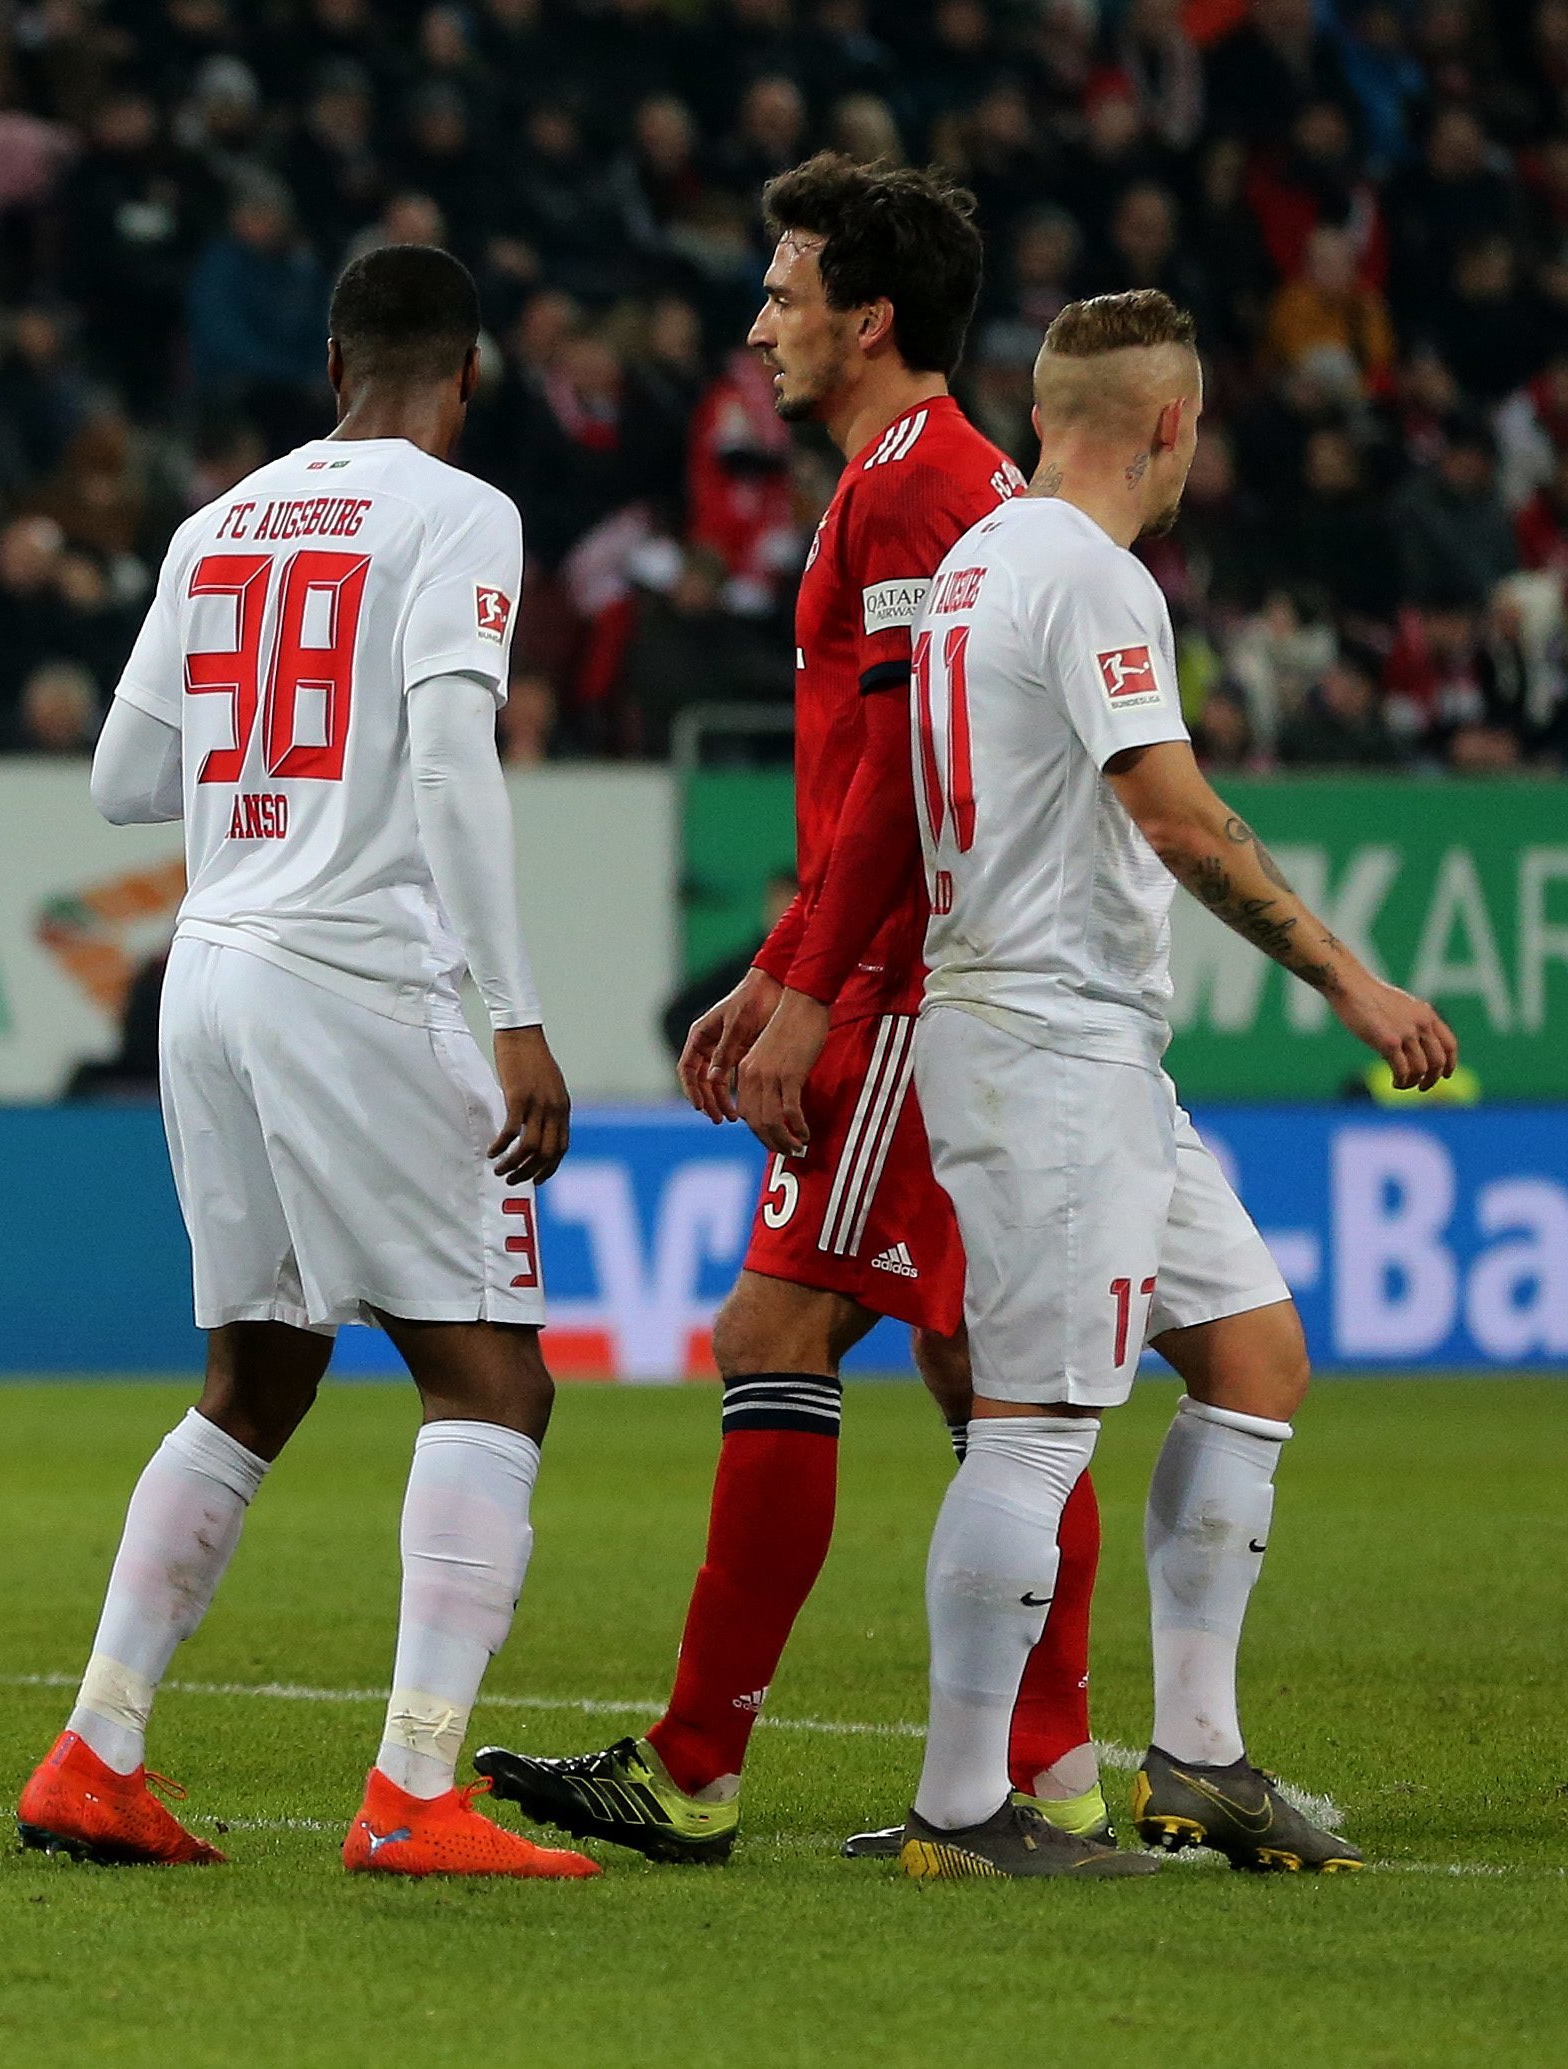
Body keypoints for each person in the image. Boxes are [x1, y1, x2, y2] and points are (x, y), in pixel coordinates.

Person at [478, 154, 1106, 1866]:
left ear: (867, 317)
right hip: (910, 963)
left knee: (776, 1332)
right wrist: (774, 959)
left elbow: (908, 770)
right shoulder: (919, 479)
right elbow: (878, 777)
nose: (757, 325)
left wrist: (816, 992)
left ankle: (695, 1766)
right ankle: (1052, 1764)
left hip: (908, 981)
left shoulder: (911, 488)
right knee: (985, 1367)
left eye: (781, 293)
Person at [14, 245, 592, 1880]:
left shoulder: (218, 520)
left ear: (331, 364)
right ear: (464, 378)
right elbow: (455, 757)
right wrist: (512, 1007)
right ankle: (414, 1788)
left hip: (206, 969)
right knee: (492, 1377)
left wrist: (270, 751)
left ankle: (95, 1749)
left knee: (255, 1378)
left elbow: (124, 777)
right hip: (352, 972)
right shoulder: (457, 511)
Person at [895, 290, 1454, 1877]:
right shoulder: (1092, 573)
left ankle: (1197, 1756)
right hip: (1043, 1039)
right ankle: (958, 1807)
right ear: (1171, 425)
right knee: (1033, 1422)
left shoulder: (974, 562)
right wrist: (1349, 981)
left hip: (1083, 1045)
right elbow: (1178, 817)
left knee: (1253, 1354)